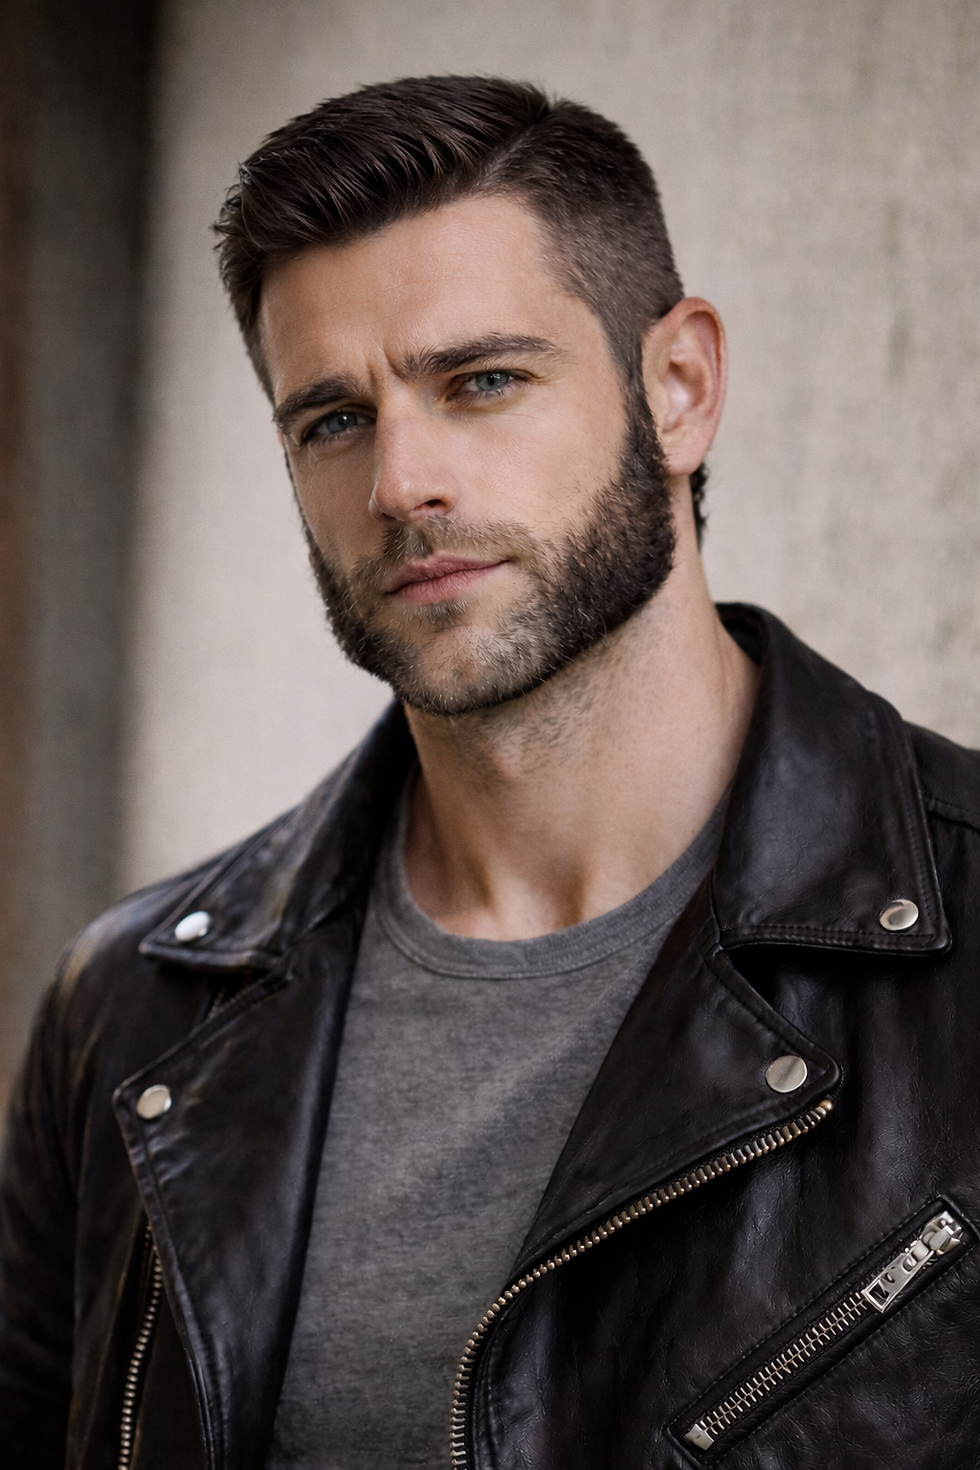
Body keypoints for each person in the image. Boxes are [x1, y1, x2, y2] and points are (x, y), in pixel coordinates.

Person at [1, 74, 978, 1470]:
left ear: (680, 386)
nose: (402, 480)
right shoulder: (132, 1012)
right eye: (332, 419)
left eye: (482, 381)